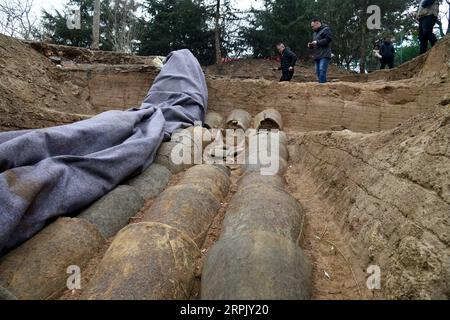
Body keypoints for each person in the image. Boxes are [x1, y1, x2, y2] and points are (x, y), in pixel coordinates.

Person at [308, 18, 332, 84]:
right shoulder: (314, 33)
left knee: (322, 70)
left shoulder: (326, 29)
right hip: (317, 56)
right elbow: (316, 44)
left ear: (317, 23)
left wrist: (317, 42)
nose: (312, 28)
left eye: (313, 26)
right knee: (318, 72)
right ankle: (322, 85)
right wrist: (311, 46)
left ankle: (322, 86)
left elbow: (328, 39)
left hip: (324, 54)